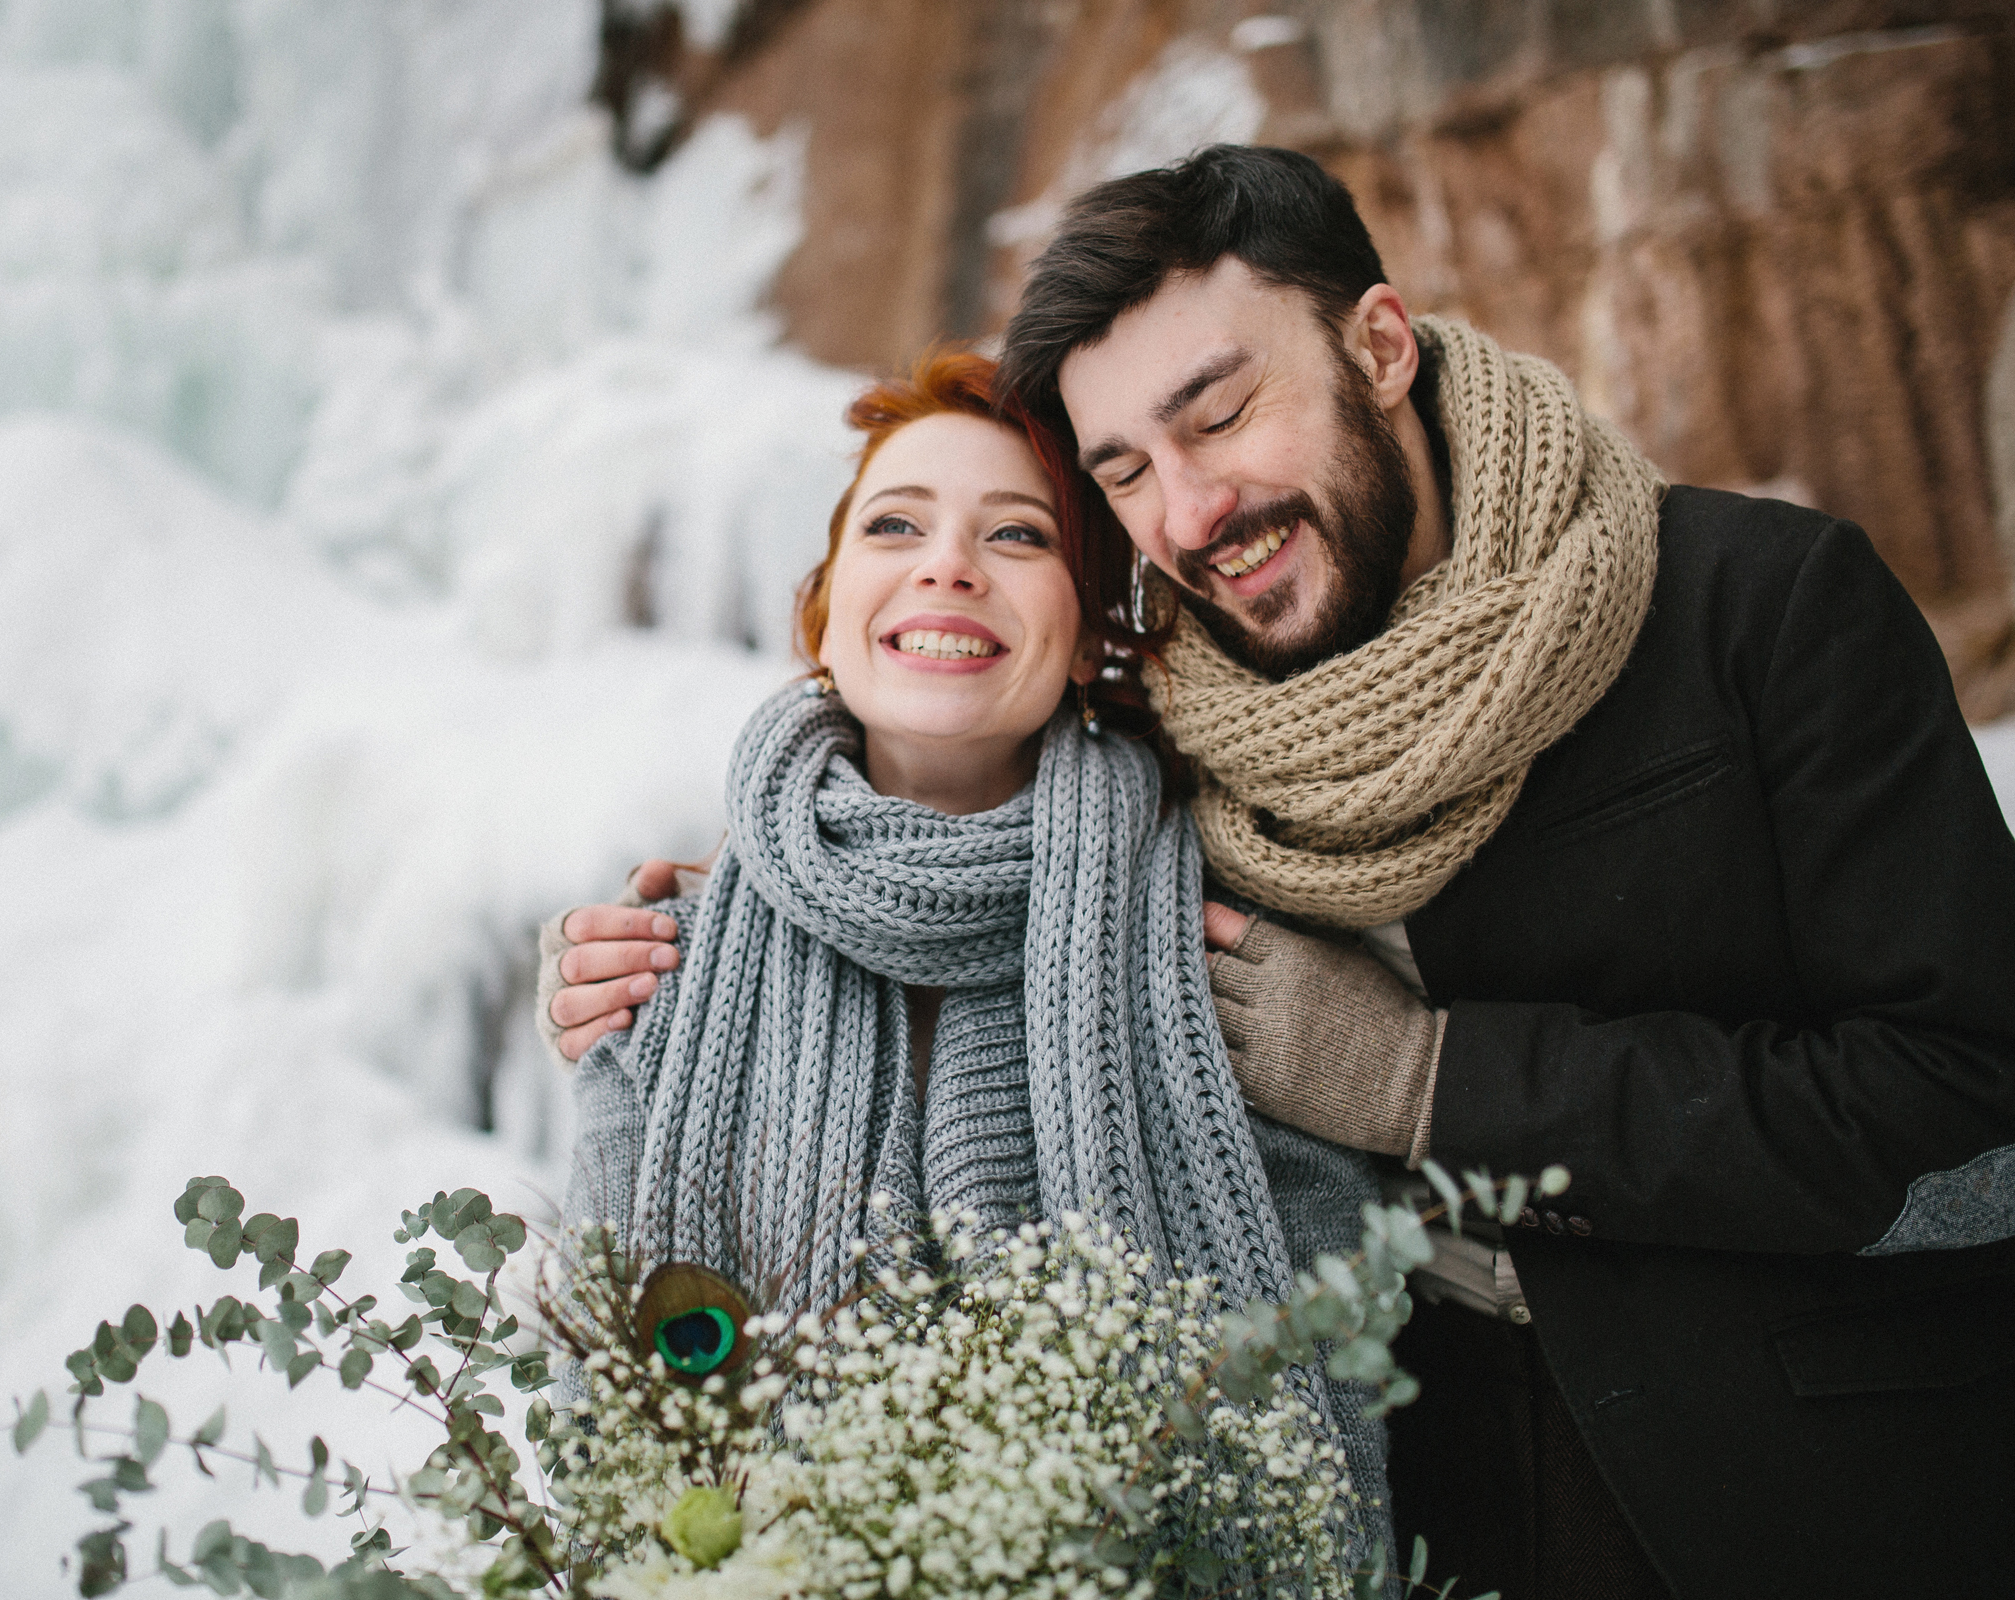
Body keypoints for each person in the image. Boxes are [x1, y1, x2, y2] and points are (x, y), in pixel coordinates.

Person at [547, 147, 2015, 1599]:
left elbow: (1973, 1141)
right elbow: (954, 827)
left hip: (1792, 1495)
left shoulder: (1757, 614)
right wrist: (749, 916)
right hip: (1411, 1496)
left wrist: (1428, 1084)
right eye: (1124, 472)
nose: (1190, 514)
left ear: (1378, 345)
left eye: (1222, 413)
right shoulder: (1182, 734)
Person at [555, 349, 1395, 1567]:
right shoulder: (662, 982)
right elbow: (600, 1451)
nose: (948, 563)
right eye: (896, 524)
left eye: (1018, 536)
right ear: (826, 609)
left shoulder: (1229, 970)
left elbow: (1333, 1440)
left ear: (1095, 631)